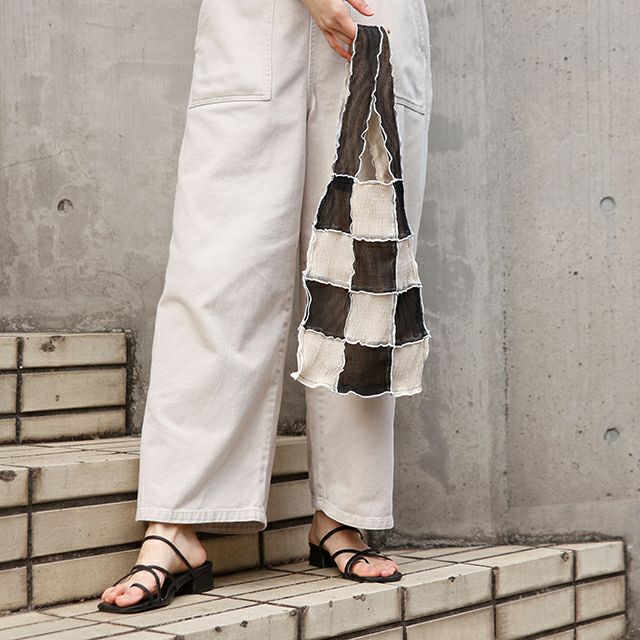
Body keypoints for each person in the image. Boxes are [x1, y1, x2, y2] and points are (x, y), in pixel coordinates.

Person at [99, 0, 432, 612]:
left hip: (375, 18)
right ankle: (175, 522)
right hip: (255, 20)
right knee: (218, 271)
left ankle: (342, 516)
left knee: (364, 274)